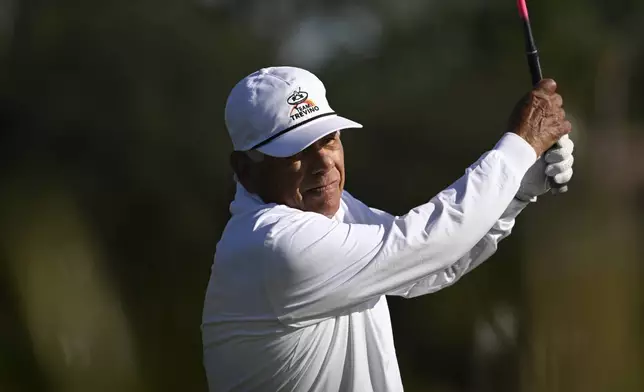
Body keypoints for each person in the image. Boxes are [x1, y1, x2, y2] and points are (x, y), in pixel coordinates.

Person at [201, 66, 574, 391]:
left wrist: (518, 189)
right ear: (245, 170)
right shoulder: (273, 245)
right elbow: (425, 242)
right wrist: (520, 146)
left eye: (328, 139)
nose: (323, 163)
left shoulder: (330, 212)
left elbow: (429, 264)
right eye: (297, 152)